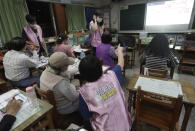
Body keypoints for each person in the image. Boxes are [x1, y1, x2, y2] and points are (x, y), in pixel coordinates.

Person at [79, 45, 132, 131]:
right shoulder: (112, 75)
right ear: (100, 67)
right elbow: (120, 64)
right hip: (126, 125)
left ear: (82, 75)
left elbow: (86, 117)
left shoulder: (84, 93)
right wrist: (119, 51)